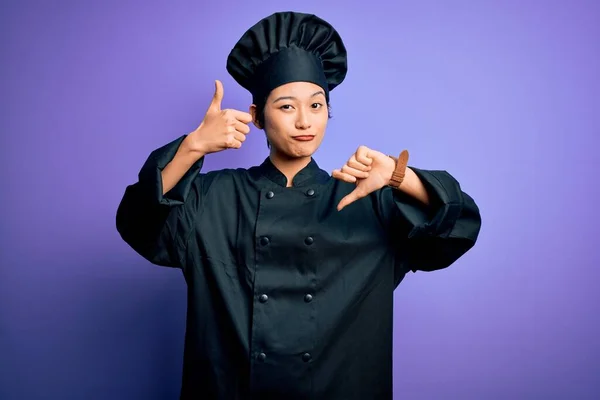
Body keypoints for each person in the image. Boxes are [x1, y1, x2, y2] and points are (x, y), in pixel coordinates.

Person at [116, 11, 482, 400]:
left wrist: (397, 175)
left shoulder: (365, 199)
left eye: (317, 105)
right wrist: (192, 147)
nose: (305, 121)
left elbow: (459, 226)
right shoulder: (213, 198)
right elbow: (138, 222)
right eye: (287, 106)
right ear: (257, 117)